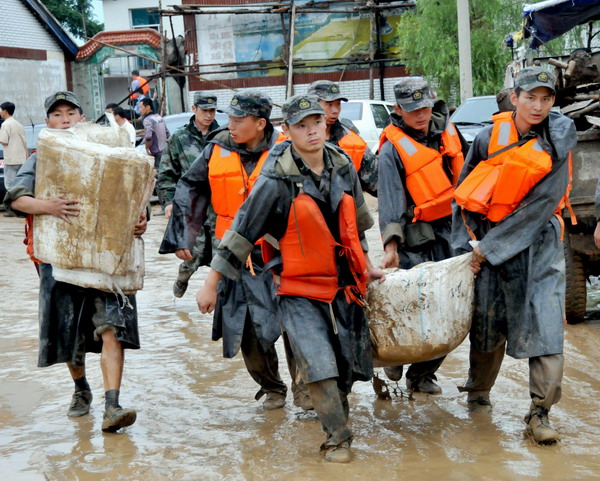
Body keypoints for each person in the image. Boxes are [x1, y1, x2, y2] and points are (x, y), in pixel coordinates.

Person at [196, 94, 385, 463]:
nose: (312, 131)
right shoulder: (276, 177)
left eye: (316, 122)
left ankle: (336, 419)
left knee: (347, 365)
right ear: (287, 131)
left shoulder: (342, 163)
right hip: (297, 289)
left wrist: (367, 265)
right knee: (317, 364)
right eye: (301, 125)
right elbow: (241, 232)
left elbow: (356, 224)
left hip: (343, 285)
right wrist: (211, 283)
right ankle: (337, 439)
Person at [3, 91, 147, 433]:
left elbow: (135, 194)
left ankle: (113, 405)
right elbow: (16, 199)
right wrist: (49, 206)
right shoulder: (42, 159)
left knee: (113, 327)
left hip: (106, 259)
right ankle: (82, 391)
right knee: (69, 334)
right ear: (48, 123)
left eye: (71, 113)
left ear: (82, 118)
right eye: (57, 114)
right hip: (60, 261)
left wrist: (142, 219)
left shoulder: (110, 155)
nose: (65, 119)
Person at [451, 67, 577, 444]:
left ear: (554, 102)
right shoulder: (489, 138)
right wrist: (471, 247)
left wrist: (487, 251)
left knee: (547, 326)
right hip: (492, 244)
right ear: (515, 97)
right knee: (487, 324)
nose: (538, 106)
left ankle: (540, 413)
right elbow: (465, 191)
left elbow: (540, 206)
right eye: (530, 97)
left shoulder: (558, 140)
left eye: (546, 98)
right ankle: (478, 393)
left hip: (539, 244)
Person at [160, 90, 291, 411]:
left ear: (260, 123)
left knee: (295, 321)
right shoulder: (216, 148)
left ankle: (306, 385)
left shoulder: (286, 149)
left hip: (282, 254)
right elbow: (190, 186)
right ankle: (273, 386)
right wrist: (183, 235)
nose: (230, 124)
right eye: (229, 118)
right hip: (233, 254)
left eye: (238, 119)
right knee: (246, 328)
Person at [377, 77, 469, 394]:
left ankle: (422, 374)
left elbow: (472, 177)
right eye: (412, 109)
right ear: (398, 110)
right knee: (410, 304)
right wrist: (391, 246)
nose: (421, 115)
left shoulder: (450, 134)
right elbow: (389, 203)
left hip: (451, 230)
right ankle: (395, 355)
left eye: (425, 107)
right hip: (413, 233)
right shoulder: (391, 151)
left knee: (449, 305)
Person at [157, 92, 220, 298]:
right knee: (193, 253)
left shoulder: (223, 137)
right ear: (194, 109)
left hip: (220, 206)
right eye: (204, 110)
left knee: (223, 254)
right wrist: (168, 202)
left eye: (212, 110)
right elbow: (167, 174)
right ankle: (183, 277)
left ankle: (220, 297)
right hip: (192, 207)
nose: (209, 115)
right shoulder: (179, 138)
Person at [307, 80, 378, 195]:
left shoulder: (351, 141)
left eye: (338, 104)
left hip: (345, 209)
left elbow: (376, 181)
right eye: (329, 105)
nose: (335, 111)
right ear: (313, 104)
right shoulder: (296, 140)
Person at [0, 101, 28, 197]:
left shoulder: (5, 124)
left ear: (5, 111)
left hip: (11, 160)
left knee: (10, 186)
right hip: (22, 160)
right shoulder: (19, 124)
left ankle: (13, 209)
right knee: (20, 185)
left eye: (0, 110)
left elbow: (4, 141)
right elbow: (25, 144)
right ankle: (22, 208)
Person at [140, 98, 169, 170]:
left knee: (157, 173)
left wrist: (147, 148)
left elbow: (148, 136)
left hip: (156, 152)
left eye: (141, 107)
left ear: (148, 107)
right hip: (165, 150)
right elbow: (167, 133)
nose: (139, 110)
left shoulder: (147, 120)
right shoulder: (159, 117)